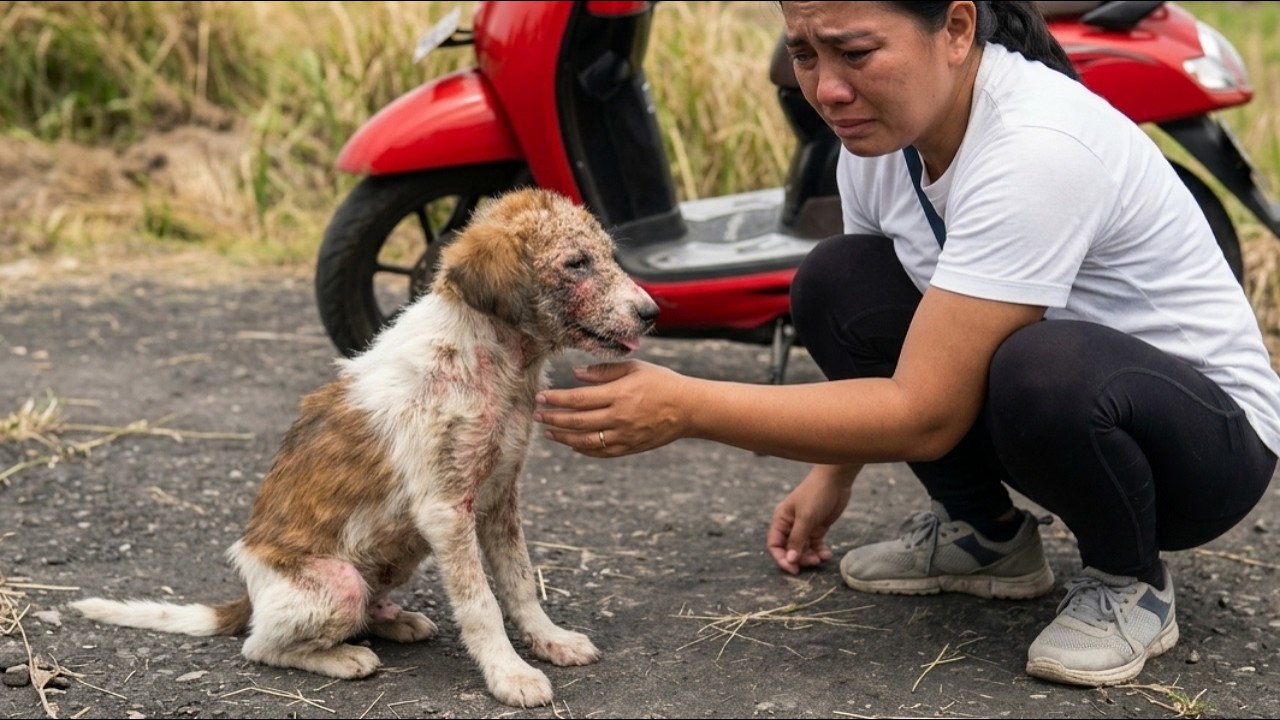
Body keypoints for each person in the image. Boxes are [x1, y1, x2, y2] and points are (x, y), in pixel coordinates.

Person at [533, 0, 1280, 687]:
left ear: (956, 30)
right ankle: (985, 538)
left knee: (1041, 366)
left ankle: (1130, 581)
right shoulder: (880, 142)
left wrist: (689, 406)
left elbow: (924, 411)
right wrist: (834, 474)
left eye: (856, 53)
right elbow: (888, 328)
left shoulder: (1036, 147)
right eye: (805, 54)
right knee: (837, 280)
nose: (827, 90)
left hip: (1202, 451)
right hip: (1057, 410)